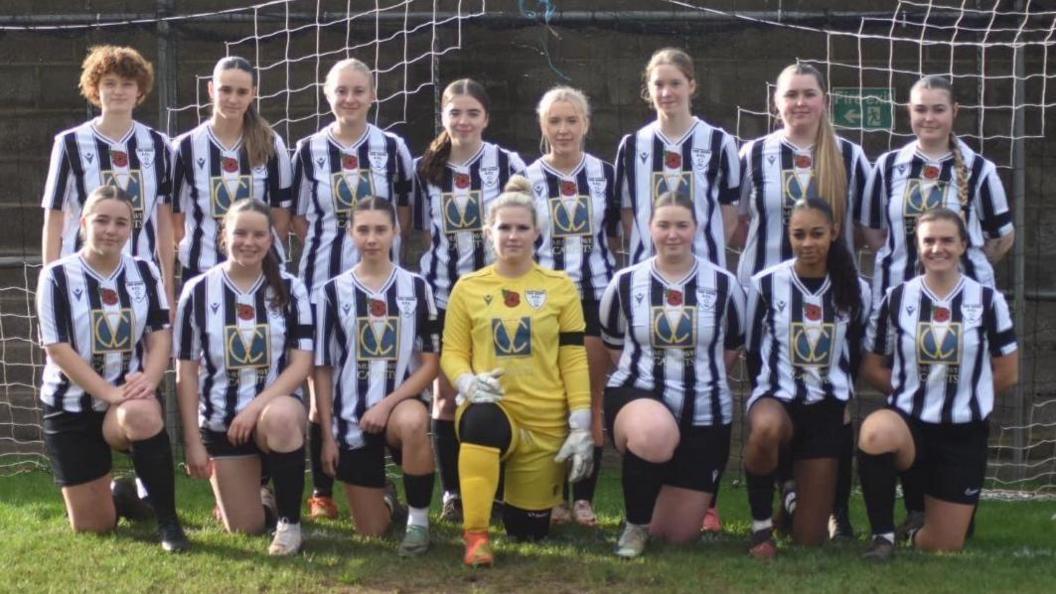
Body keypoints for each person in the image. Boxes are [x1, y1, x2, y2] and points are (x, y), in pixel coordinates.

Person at [857, 74, 1015, 535]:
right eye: (920, 109)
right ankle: (914, 505)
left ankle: (949, 502)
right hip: (902, 301)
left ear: (954, 113)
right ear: (909, 113)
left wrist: (969, 267)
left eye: (938, 109)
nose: (928, 117)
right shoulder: (887, 166)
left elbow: (1003, 235)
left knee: (954, 386)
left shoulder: (979, 169)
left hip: (959, 301)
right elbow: (871, 231)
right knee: (908, 396)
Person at [735, 64, 871, 539]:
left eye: (808, 94)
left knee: (833, 398)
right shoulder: (752, 154)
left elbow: (868, 230)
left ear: (824, 100)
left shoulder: (850, 156)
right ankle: (784, 489)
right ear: (777, 102)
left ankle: (830, 507)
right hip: (769, 299)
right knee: (776, 399)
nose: (799, 103)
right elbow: (735, 223)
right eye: (790, 95)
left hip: (831, 295)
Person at [440, 176, 592, 566]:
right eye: (504, 227)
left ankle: (509, 495)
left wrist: (581, 421)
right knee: (480, 422)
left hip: (544, 423)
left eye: (522, 227)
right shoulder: (468, 287)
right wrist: (467, 382)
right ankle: (476, 537)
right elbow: (452, 352)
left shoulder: (560, 287)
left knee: (529, 531)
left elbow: (573, 359)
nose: (513, 235)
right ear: (489, 232)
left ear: (537, 233)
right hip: (494, 408)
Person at [289, 58, 415, 521]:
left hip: (382, 289)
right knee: (321, 383)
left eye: (358, 91)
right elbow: (299, 218)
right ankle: (321, 493)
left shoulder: (393, 148)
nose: (349, 99)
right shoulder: (307, 149)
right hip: (323, 286)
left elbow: (404, 212)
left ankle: (383, 483)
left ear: (373, 94)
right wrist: (333, 253)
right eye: (341, 91)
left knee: (380, 376)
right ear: (328, 95)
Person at [857, 208, 1018, 561]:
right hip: (910, 424)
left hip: (963, 433)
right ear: (918, 246)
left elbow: (1007, 372)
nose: (937, 248)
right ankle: (882, 537)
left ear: (963, 245)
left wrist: (965, 397)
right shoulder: (897, 299)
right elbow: (872, 365)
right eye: (928, 240)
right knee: (874, 432)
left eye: (947, 240)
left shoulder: (988, 301)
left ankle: (916, 528)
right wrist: (910, 394)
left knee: (944, 544)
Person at [36, 185, 187, 552]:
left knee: (142, 414)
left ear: (130, 230)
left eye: (121, 222)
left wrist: (149, 380)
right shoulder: (56, 276)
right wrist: (107, 392)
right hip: (70, 405)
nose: (111, 229)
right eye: (102, 220)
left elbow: (160, 336)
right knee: (94, 526)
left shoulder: (144, 271)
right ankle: (123, 494)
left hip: (125, 402)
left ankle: (169, 523)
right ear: (83, 223)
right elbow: (58, 349)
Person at [598, 192, 744, 558]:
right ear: (650, 229)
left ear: (696, 229)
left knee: (676, 537)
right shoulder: (626, 283)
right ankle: (634, 527)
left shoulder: (724, 284)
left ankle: (653, 499)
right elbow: (614, 345)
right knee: (654, 432)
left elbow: (733, 346)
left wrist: (699, 377)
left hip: (705, 412)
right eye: (664, 225)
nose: (673, 234)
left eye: (682, 225)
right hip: (638, 394)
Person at [411, 79, 526, 522]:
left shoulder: (507, 163)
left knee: (499, 388)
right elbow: (425, 233)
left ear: (486, 119)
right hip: (442, 293)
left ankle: (497, 490)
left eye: (472, 113)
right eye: (454, 112)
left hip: (495, 296)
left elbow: (520, 229)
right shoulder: (427, 167)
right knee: (445, 395)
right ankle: (454, 495)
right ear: (443, 116)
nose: (463, 121)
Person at [175, 198, 314, 556]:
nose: (248, 242)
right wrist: (193, 441)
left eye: (258, 234)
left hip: (274, 414)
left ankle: (290, 526)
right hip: (223, 422)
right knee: (245, 527)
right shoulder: (198, 290)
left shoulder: (291, 288)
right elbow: (187, 372)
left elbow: (301, 365)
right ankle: (263, 494)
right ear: (224, 236)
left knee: (282, 416)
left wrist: (254, 409)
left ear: (271, 240)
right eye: (240, 233)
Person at [741, 198, 870, 559]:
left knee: (810, 538)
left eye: (816, 233)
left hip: (826, 410)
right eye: (799, 235)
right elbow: (753, 351)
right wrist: (764, 397)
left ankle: (791, 503)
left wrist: (842, 402)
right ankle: (760, 528)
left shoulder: (857, 289)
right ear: (789, 235)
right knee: (765, 429)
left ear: (833, 232)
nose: (807, 243)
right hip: (777, 400)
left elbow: (856, 354)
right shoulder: (766, 284)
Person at [313, 197, 439, 556]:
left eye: (380, 230)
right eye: (363, 230)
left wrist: (386, 405)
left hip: (398, 407)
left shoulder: (417, 288)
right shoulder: (332, 292)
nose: (372, 238)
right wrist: (327, 437)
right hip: (352, 418)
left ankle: (418, 523)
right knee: (372, 532)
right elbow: (322, 369)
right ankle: (386, 499)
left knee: (415, 420)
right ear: (351, 233)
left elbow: (431, 364)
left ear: (395, 232)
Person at [524, 86, 618, 526]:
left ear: (586, 124)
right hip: (544, 300)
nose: (563, 130)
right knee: (549, 402)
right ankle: (553, 496)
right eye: (554, 121)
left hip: (596, 295)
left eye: (571, 120)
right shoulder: (526, 179)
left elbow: (617, 234)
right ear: (543, 126)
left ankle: (583, 499)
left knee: (591, 401)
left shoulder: (606, 174)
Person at [42, 44, 177, 321]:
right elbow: (53, 216)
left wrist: (167, 285)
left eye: (127, 84)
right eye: (110, 83)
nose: (118, 91)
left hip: (138, 276)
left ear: (139, 91)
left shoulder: (159, 144)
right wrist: (50, 280)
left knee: (140, 356)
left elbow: (163, 219)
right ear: (95, 89)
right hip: (81, 273)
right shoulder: (69, 143)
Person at [615, 47, 740, 268]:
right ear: (649, 89)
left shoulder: (720, 142)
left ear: (691, 86)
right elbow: (628, 216)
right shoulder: (632, 145)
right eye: (658, 84)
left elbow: (730, 218)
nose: (666, 93)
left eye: (675, 83)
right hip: (647, 269)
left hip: (705, 270)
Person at [171, 56, 293, 281]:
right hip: (202, 270)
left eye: (241, 92)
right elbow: (175, 222)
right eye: (225, 90)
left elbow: (281, 216)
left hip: (261, 271)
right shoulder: (185, 147)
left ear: (253, 93)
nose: (232, 99)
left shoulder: (271, 144)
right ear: (210, 89)